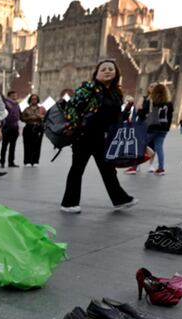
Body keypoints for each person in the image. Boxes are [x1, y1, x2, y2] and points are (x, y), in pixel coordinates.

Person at [59, 59, 137, 213]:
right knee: (77, 168)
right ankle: (68, 203)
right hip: (84, 137)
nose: (107, 71)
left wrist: (127, 108)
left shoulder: (115, 94)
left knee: (108, 169)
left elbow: (117, 119)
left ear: (116, 73)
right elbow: (71, 109)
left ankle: (120, 199)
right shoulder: (87, 89)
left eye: (110, 69)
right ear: (96, 73)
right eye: (103, 69)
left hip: (103, 138)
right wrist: (74, 129)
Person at [127, 83, 172, 175]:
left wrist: (139, 110)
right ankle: (161, 168)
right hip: (163, 129)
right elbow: (170, 117)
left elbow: (143, 112)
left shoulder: (152, 101)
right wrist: (167, 128)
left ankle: (134, 167)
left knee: (141, 146)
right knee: (159, 148)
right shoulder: (169, 103)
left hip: (152, 128)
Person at [21, 93, 44, 166]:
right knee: (27, 144)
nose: (34, 100)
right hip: (29, 127)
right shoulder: (26, 109)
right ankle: (27, 161)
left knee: (37, 145)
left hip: (38, 127)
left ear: (38, 100)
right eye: (32, 99)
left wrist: (40, 116)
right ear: (30, 100)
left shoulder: (41, 109)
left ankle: (35, 161)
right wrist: (29, 118)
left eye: (35, 99)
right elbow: (22, 118)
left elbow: (46, 117)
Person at [0, 90, 21, 167]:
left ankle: (11, 162)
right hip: (7, 127)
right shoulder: (6, 103)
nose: (15, 97)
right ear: (9, 96)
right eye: (13, 95)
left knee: (12, 146)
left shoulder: (17, 105)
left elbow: (19, 115)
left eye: (15, 95)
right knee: (4, 145)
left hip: (15, 128)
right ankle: (2, 161)